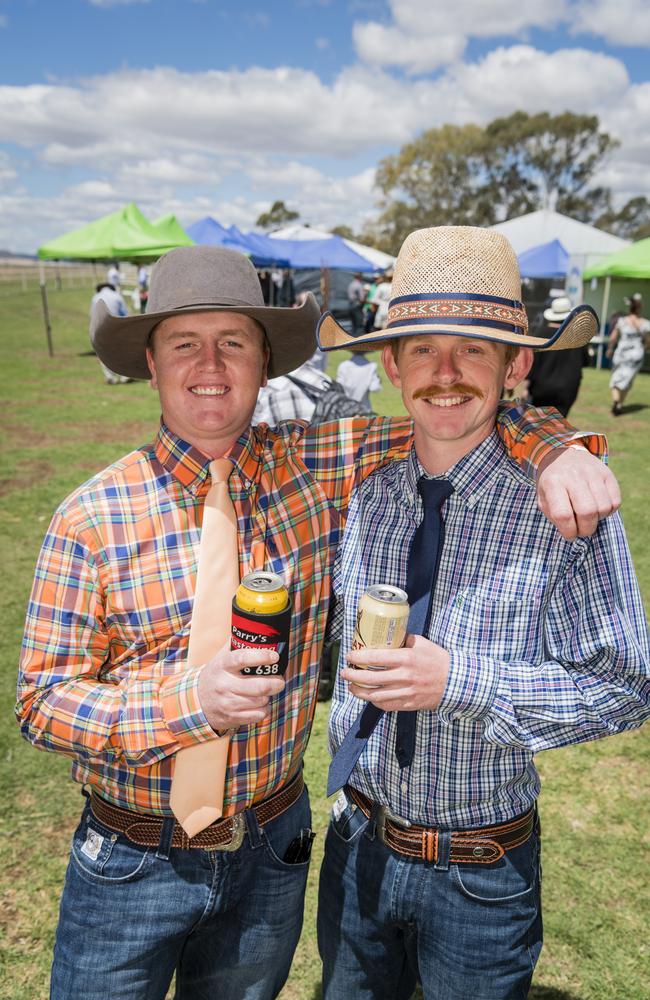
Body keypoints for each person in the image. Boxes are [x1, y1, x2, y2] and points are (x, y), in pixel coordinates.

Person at [18, 245, 618, 1000]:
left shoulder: (314, 464)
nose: (210, 364)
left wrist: (561, 446)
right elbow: (41, 701)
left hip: (270, 852)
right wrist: (184, 704)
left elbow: (454, 412)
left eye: (233, 342)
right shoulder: (89, 517)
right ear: (150, 361)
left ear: (264, 363)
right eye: (184, 344)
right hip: (131, 858)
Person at [316, 226, 649, 1000]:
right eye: (423, 349)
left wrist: (459, 681)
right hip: (355, 843)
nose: (445, 374)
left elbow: (628, 685)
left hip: (478, 873)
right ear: (390, 364)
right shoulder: (360, 483)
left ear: (518, 363)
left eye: (473, 349)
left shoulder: (566, 505)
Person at [526, 296, 589, 416]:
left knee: (539, 425)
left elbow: (532, 364)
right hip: (568, 389)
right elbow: (586, 361)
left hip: (541, 388)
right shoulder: (577, 335)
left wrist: (526, 387)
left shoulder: (541, 333)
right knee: (560, 424)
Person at [606, 292, 650, 415]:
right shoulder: (645, 323)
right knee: (627, 380)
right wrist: (646, 348)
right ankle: (619, 404)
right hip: (636, 354)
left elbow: (613, 337)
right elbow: (648, 341)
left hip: (621, 353)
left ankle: (616, 400)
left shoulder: (622, 321)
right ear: (639, 308)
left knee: (616, 378)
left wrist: (610, 349)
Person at [89, 282, 130, 384]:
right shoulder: (117, 296)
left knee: (104, 352)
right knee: (121, 352)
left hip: (101, 327)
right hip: (117, 326)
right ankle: (124, 375)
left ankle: (110, 377)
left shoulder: (96, 297)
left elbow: (93, 315)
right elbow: (124, 313)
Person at [347, 272, 366, 336]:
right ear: (360, 277)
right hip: (357, 305)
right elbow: (362, 298)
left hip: (350, 304)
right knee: (359, 324)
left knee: (353, 324)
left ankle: (352, 338)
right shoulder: (359, 285)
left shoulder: (351, 284)